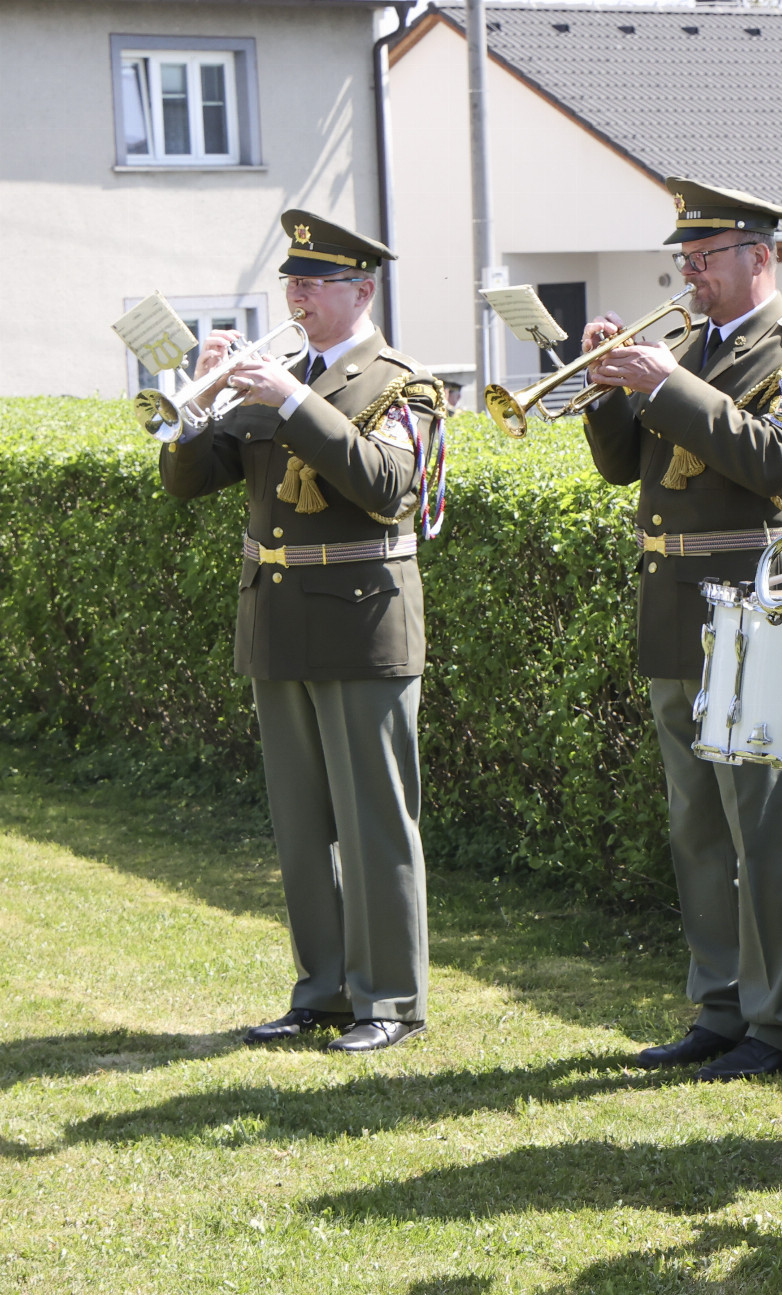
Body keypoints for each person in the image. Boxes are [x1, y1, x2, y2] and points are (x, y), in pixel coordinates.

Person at [159, 210, 448, 1054]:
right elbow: (189, 481)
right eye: (292, 282)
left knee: (373, 823)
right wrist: (196, 403)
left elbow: (389, 484)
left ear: (362, 291)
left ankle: (389, 998)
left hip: (362, 625)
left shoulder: (404, 383)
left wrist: (290, 401)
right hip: (278, 623)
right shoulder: (274, 376)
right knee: (301, 825)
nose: (299, 297)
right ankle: (323, 990)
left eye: (316, 283)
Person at [581, 177, 782, 1082]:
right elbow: (624, 467)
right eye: (685, 259)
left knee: (765, 824)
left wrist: (667, 383)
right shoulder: (688, 347)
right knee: (697, 820)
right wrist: (605, 389)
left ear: (759, 257)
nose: (689, 274)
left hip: (756, 603)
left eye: (705, 258)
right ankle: (721, 1001)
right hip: (675, 606)